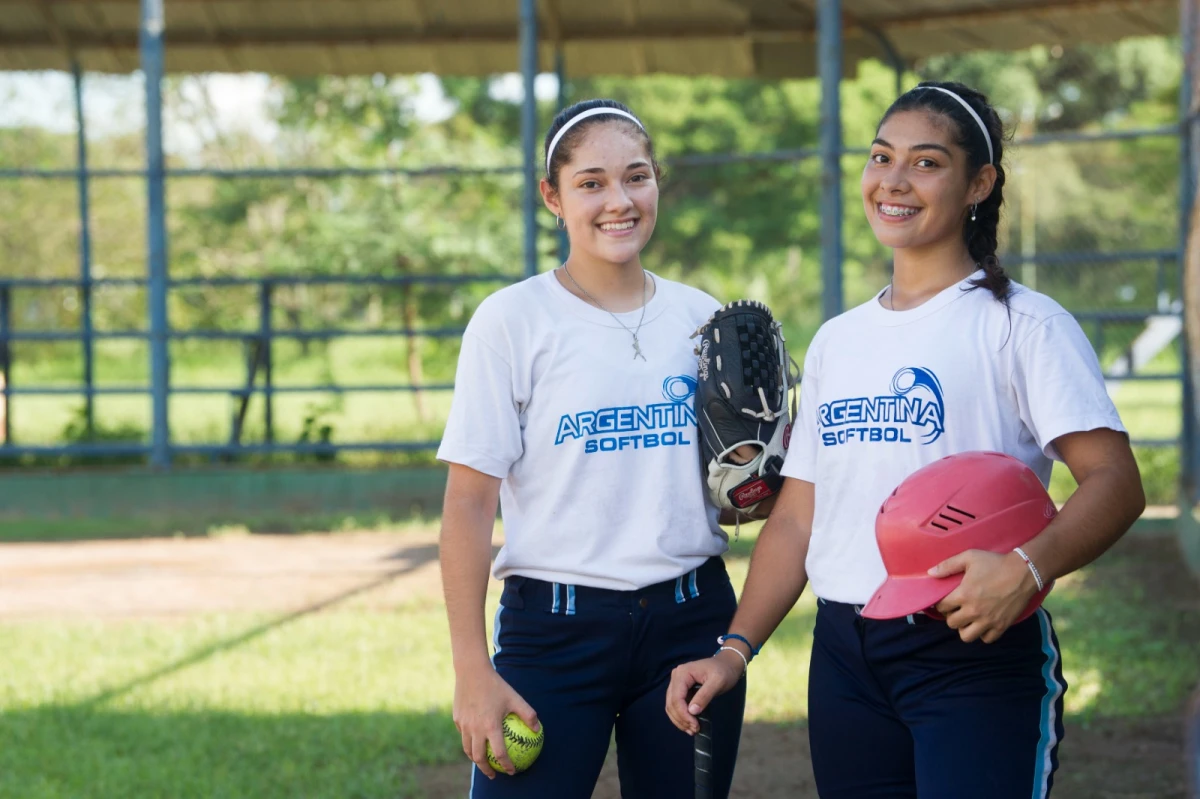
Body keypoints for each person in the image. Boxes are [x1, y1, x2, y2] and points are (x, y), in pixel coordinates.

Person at [665, 81, 1146, 798]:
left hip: (970, 642)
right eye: (881, 156)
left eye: (926, 162)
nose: (893, 180)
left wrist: (1028, 567)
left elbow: (1116, 481)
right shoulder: (839, 340)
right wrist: (735, 650)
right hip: (844, 655)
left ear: (979, 183)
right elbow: (798, 517)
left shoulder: (1022, 324)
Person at [437, 98, 747, 798]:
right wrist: (472, 670)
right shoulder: (512, 320)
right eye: (591, 183)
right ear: (553, 197)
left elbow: (729, 496)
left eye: (637, 177)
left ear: (657, 181)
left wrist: (751, 483)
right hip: (553, 631)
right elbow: (468, 504)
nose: (619, 201)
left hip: (690, 623)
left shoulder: (702, 317)